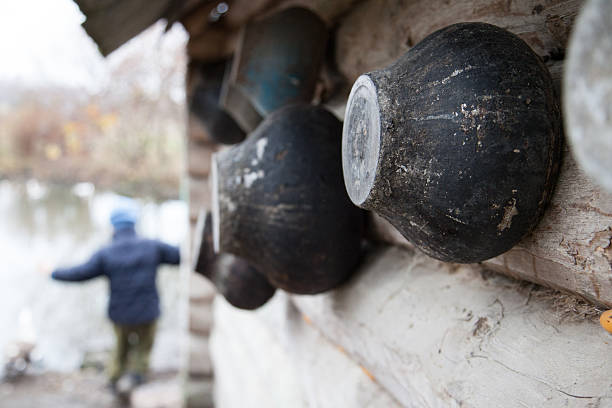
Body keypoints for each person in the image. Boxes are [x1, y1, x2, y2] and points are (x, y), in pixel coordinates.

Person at [50, 200, 180, 392]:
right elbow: (181, 256)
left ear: (113, 227)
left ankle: (114, 379)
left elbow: (79, 273)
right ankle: (137, 377)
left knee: (120, 349)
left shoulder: (106, 253)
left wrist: (53, 272)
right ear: (134, 223)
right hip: (148, 311)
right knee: (144, 348)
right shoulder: (152, 246)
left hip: (120, 314)